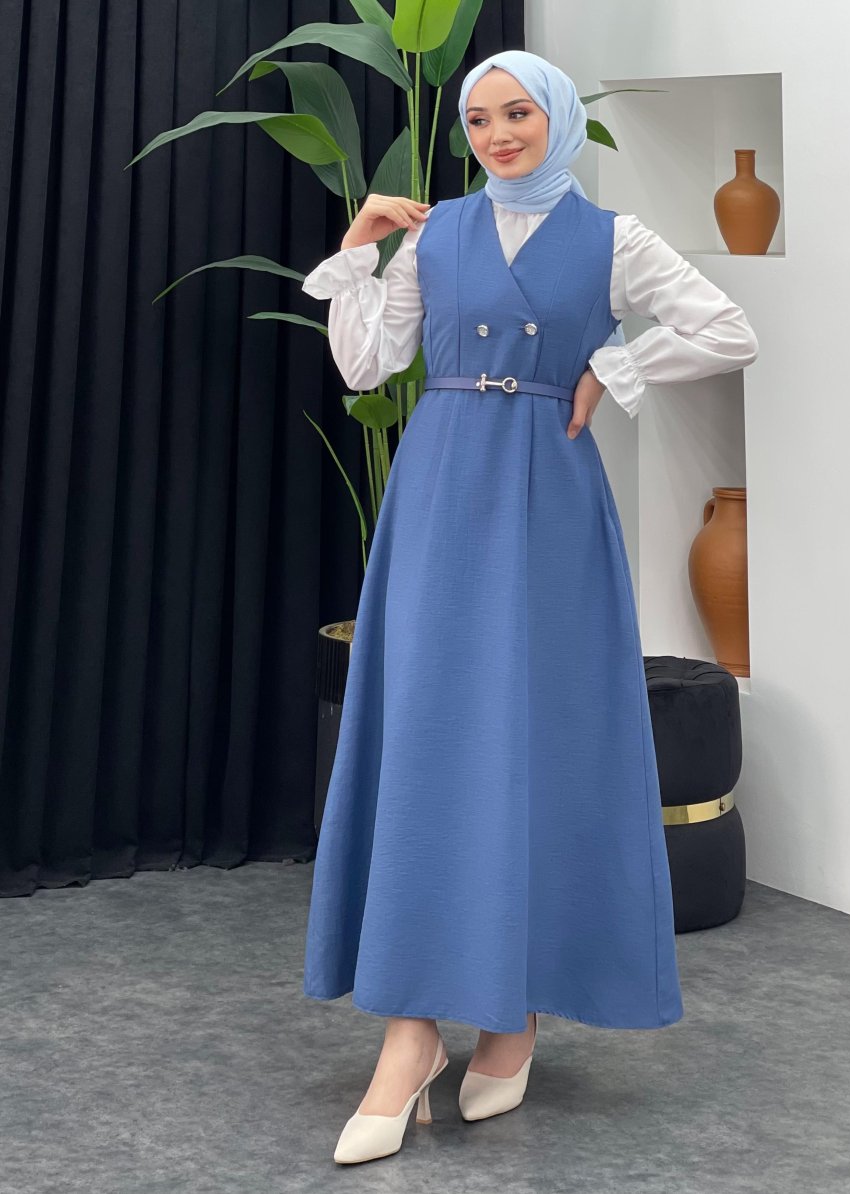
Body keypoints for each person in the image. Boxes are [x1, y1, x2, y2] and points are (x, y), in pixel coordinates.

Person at [299, 49, 759, 1165]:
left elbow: (728, 329)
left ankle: (511, 1020)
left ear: (553, 118)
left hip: (551, 500)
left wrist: (616, 370)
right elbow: (366, 368)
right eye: (478, 120)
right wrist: (358, 250)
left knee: (539, 742)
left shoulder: (613, 239)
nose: (498, 134)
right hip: (440, 492)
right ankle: (412, 1034)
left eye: (517, 113)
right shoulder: (438, 234)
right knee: (431, 740)